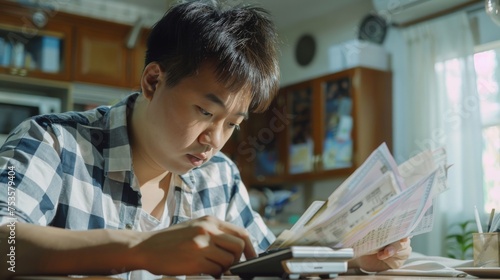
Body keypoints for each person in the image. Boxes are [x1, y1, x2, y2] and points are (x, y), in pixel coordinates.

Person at [0, 1, 411, 279]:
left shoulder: (219, 177)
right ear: (153, 80)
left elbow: (269, 266)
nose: (214, 140)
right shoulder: (52, 142)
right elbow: (7, 244)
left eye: (232, 123)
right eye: (204, 112)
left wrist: (355, 259)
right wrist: (140, 248)